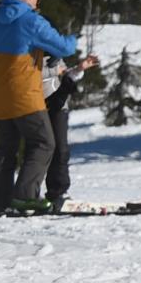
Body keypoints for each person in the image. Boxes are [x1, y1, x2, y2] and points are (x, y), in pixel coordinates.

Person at [0, 0, 79, 216]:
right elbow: (64, 48)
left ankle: (0, 202)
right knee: (44, 142)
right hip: (24, 94)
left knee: (6, 149)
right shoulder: (30, 20)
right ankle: (25, 197)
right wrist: (73, 38)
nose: (38, 4)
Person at [40, 52, 97, 213]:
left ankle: (58, 192)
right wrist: (54, 71)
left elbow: (66, 76)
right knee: (42, 151)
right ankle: (29, 194)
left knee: (61, 150)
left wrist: (80, 68)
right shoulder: (33, 55)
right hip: (40, 107)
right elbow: (29, 75)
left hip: (60, 108)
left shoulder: (56, 56)